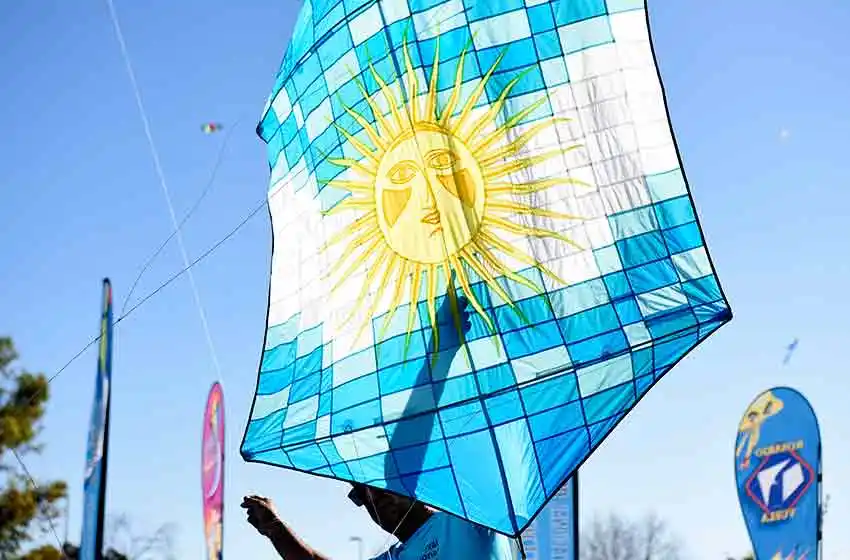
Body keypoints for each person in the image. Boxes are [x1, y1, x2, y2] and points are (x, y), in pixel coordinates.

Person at [242, 485, 516, 559]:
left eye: (380, 484)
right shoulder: (396, 557)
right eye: (361, 494)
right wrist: (275, 528)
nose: (373, 497)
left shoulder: (470, 519)